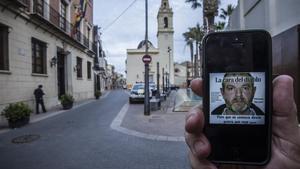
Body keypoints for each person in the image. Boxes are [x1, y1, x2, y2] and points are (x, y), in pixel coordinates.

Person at [185, 75, 300, 169]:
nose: (238, 95)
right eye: (230, 88)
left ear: (254, 91)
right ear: (222, 92)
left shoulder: (264, 115)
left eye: (245, 88)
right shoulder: (212, 113)